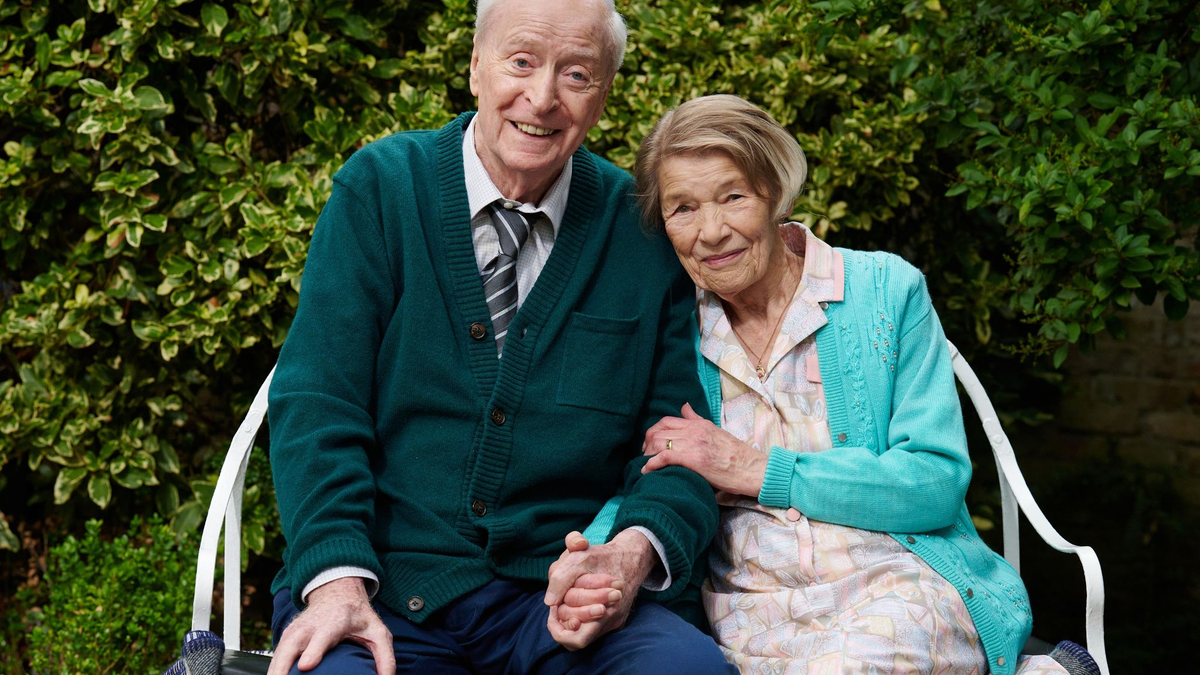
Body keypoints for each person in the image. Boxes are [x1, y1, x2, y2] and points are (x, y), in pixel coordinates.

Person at [264, 2, 738, 674]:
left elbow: (677, 446)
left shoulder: (638, 229)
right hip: (385, 592)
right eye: (521, 62)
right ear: (475, 67)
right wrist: (337, 582)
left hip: (560, 602)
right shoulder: (381, 189)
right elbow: (317, 403)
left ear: (603, 95)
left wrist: (628, 556)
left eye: (576, 74)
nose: (541, 98)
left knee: (683, 670)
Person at [563, 94, 1100, 675]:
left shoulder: (883, 290)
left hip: (900, 591)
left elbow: (934, 483)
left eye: (733, 197)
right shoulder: (672, 327)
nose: (711, 232)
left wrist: (755, 469)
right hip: (751, 616)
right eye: (683, 208)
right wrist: (605, 558)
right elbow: (650, 475)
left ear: (776, 192)